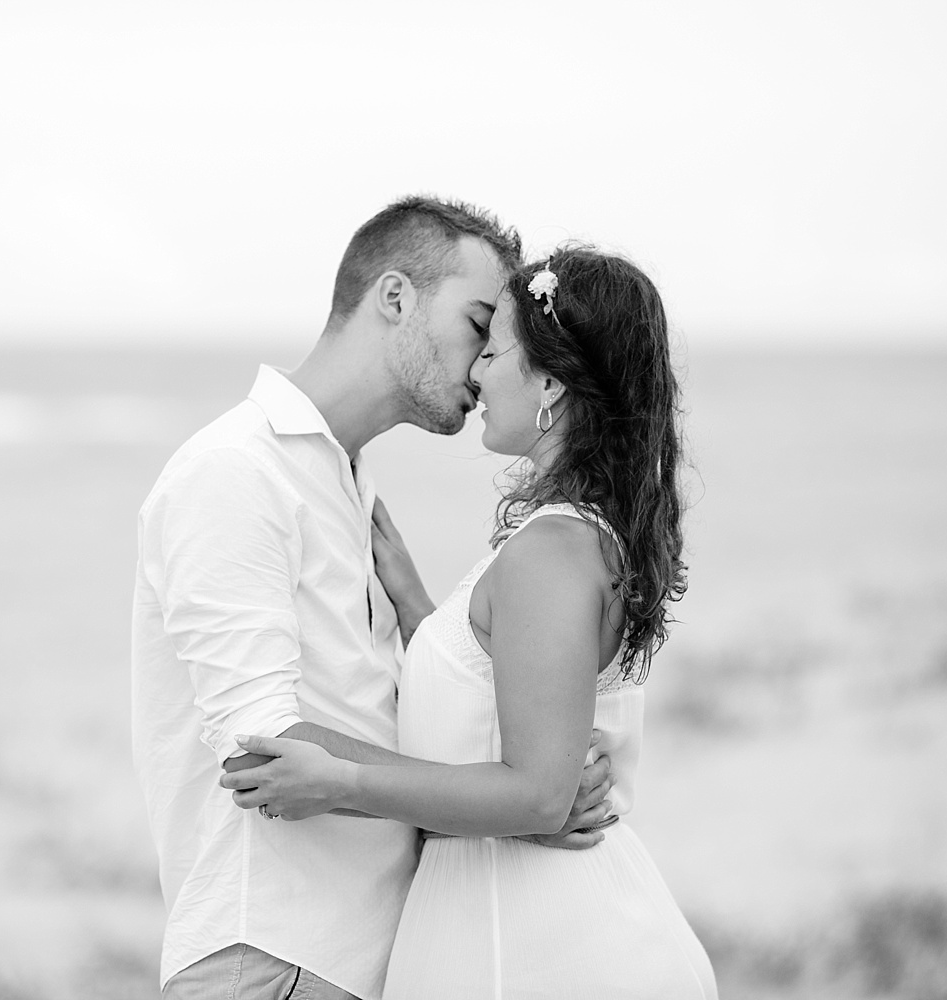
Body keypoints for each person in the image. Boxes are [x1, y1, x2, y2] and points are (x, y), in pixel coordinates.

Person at [131, 197, 617, 1000]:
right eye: (477, 324)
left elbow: (377, 720)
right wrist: (519, 802)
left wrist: (534, 777)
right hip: (274, 952)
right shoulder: (235, 471)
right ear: (395, 298)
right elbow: (263, 744)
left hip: (364, 960)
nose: (483, 363)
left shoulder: (348, 485)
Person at [220, 246, 719, 998]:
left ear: (550, 380)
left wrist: (340, 782)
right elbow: (498, 703)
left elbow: (540, 795)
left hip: (544, 951)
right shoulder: (568, 539)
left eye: (494, 348)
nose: (476, 373)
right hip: (508, 932)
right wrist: (422, 612)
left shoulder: (553, 551)